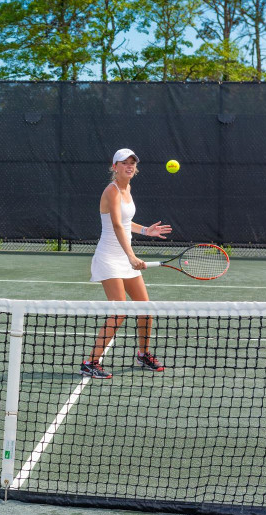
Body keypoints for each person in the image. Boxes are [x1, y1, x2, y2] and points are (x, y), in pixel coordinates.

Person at [80, 148, 172, 379]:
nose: (129, 166)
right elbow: (116, 226)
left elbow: (126, 222)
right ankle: (90, 362)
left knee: (145, 309)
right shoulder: (111, 191)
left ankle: (143, 354)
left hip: (124, 257)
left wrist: (145, 230)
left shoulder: (127, 189)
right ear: (115, 167)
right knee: (119, 311)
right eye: (124, 163)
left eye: (132, 163)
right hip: (109, 259)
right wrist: (132, 257)